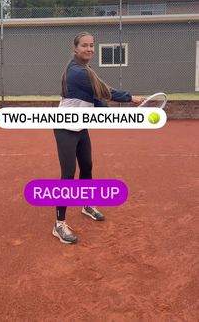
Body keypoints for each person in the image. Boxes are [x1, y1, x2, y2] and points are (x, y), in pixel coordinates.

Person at [53, 32, 144, 244]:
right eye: (85, 45)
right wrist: (131, 98)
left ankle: (86, 204)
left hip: (80, 125)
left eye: (92, 45)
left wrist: (112, 112)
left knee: (87, 166)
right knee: (68, 174)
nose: (89, 49)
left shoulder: (86, 70)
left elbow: (95, 99)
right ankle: (59, 224)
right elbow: (105, 91)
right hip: (65, 127)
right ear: (75, 48)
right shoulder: (76, 72)